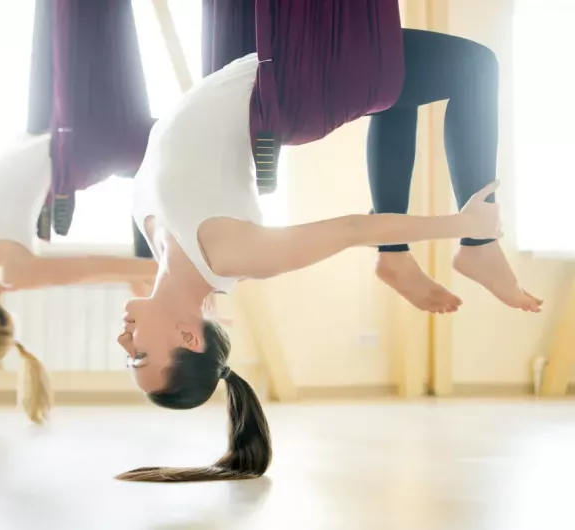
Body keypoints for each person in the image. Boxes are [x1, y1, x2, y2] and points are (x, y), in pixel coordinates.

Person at [116, 20, 541, 481]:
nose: (124, 342)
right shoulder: (229, 258)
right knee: (474, 66)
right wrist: (464, 224)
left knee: (395, 92)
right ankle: (475, 248)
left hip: (269, 72)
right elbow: (353, 228)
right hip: (289, 87)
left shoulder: (158, 248)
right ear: (188, 339)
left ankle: (399, 257)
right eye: (139, 356)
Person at [0, 133, 157, 424]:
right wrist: (154, 271)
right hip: (69, 144)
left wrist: (133, 277)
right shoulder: (8, 273)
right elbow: (86, 270)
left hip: (40, 137)